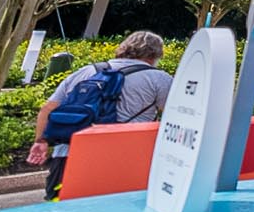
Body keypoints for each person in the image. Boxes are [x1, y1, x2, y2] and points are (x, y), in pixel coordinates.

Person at [27, 31, 173, 199]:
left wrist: (41, 141)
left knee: (59, 211)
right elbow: (174, 117)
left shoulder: (87, 71)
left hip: (68, 155)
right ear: (155, 54)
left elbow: (47, 108)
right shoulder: (159, 79)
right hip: (124, 160)